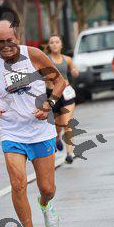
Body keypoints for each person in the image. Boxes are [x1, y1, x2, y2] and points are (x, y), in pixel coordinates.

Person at [0, 18, 67, 227]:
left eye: (9, 40)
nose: (6, 46)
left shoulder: (34, 56)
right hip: (12, 133)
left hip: (40, 131)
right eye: (1, 42)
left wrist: (49, 104)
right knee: (18, 184)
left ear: (18, 38)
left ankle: (45, 203)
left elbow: (59, 81)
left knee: (47, 188)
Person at [46, 34, 79, 164]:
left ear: (61, 45)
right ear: (49, 45)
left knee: (67, 123)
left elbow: (74, 69)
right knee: (57, 126)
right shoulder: (46, 59)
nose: (54, 44)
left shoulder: (67, 59)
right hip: (53, 94)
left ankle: (69, 154)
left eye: (57, 42)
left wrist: (75, 71)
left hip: (67, 93)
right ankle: (57, 138)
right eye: (52, 42)